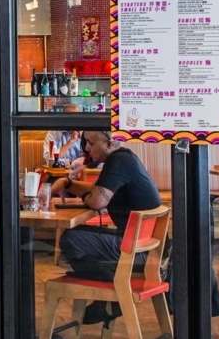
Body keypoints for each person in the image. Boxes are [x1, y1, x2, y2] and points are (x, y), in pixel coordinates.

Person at [49, 130, 165, 325]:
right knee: (76, 236)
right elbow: (97, 190)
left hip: (135, 250)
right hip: (143, 245)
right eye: (85, 142)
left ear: (110, 144)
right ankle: (111, 294)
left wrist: (83, 193)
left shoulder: (118, 162)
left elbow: (97, 200)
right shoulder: (124, 159)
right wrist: (68, 183)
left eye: (91, 143)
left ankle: (112, 295)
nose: (86, 148)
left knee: (71, 239)